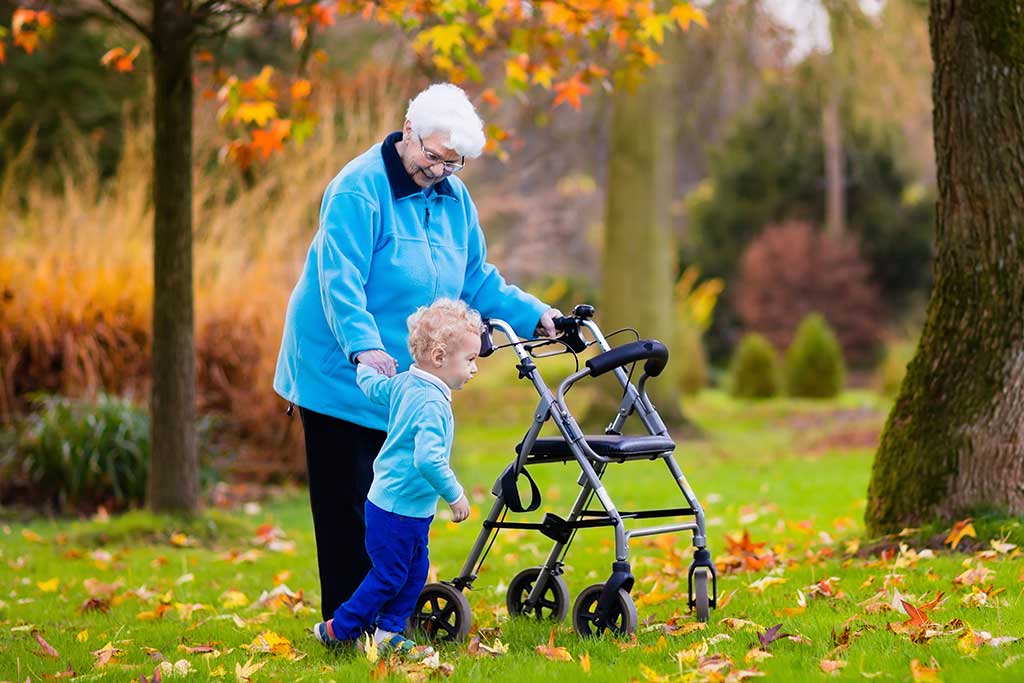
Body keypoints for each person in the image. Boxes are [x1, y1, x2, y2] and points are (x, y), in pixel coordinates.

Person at [273, 82, 561, 622]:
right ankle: (346, 623)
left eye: (455, 164)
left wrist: (533, 314)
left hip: (408, 378)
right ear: (408, 132)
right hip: (341, 369)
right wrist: (362, 349)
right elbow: (340, 281)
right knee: (349, 505)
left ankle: (386, 620)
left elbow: (475, 276)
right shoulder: (359, 189)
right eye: (434, 157)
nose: (441, 171)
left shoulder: (454, 196)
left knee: (397, 504)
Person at [311, 299, 481, 654]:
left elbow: (376, 389)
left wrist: (365, 369)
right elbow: (428, 459)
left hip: (407, 508)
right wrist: (455, 494)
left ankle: (388, 633)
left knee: (415, 572)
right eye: (470, 359)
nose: (475, 368)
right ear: (439, 357)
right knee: (389, 575)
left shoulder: (408, 383)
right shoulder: (431, 403)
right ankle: (338, 628)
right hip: (395, 510)